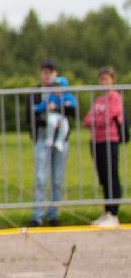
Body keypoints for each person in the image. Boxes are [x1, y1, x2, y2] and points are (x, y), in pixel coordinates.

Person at [31, 60, 77, 228]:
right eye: (44, 71)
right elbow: (31, 114)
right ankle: (37, 215)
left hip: (61, 140)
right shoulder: (37, 92)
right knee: (40, 178)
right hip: (43, 138)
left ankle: (53, 214)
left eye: (50, 72)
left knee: (57, 179)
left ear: (56, 74)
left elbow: (73, 110)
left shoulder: (64, 90)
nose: (47, 74)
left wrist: (57, 110)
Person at [83, 66, 122, 228]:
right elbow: (87, 120)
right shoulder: (98, 100)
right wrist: (98, 119)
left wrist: (98, 120)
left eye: (107, 79)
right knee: (103, 177)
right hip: (97, 141)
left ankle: (114, 213)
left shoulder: (115, 97)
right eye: (101, 79)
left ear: (113, 80)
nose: (103, 82)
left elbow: (109, 117)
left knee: (111, 175)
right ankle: (107, 211)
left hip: (110, 140)